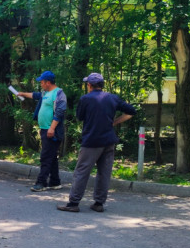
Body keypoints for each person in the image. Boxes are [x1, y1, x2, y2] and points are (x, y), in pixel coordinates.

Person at [57, 73, 136, 213]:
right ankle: (99, 203)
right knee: (104, 172)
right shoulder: (112, 97)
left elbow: (80, 117)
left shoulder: (85, 99)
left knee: (82, 171)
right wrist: (115, 122)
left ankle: (73, 203)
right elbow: (131, 111)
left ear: (89, 85)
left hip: (91, 141)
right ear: (102, 85)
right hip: (109, 141)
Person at [17, 70, 67, 192]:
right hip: (45, 130)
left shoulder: (59, 94)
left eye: (42, 82)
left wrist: (52, 128)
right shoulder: (46, 93)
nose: (41, 84)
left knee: (45, 157)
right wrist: (22, 93)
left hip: (52, 131)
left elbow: (60, 113)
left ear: (48, 82)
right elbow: (35, 95)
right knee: (51, 156)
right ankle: (55, 182)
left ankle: (41, 183)